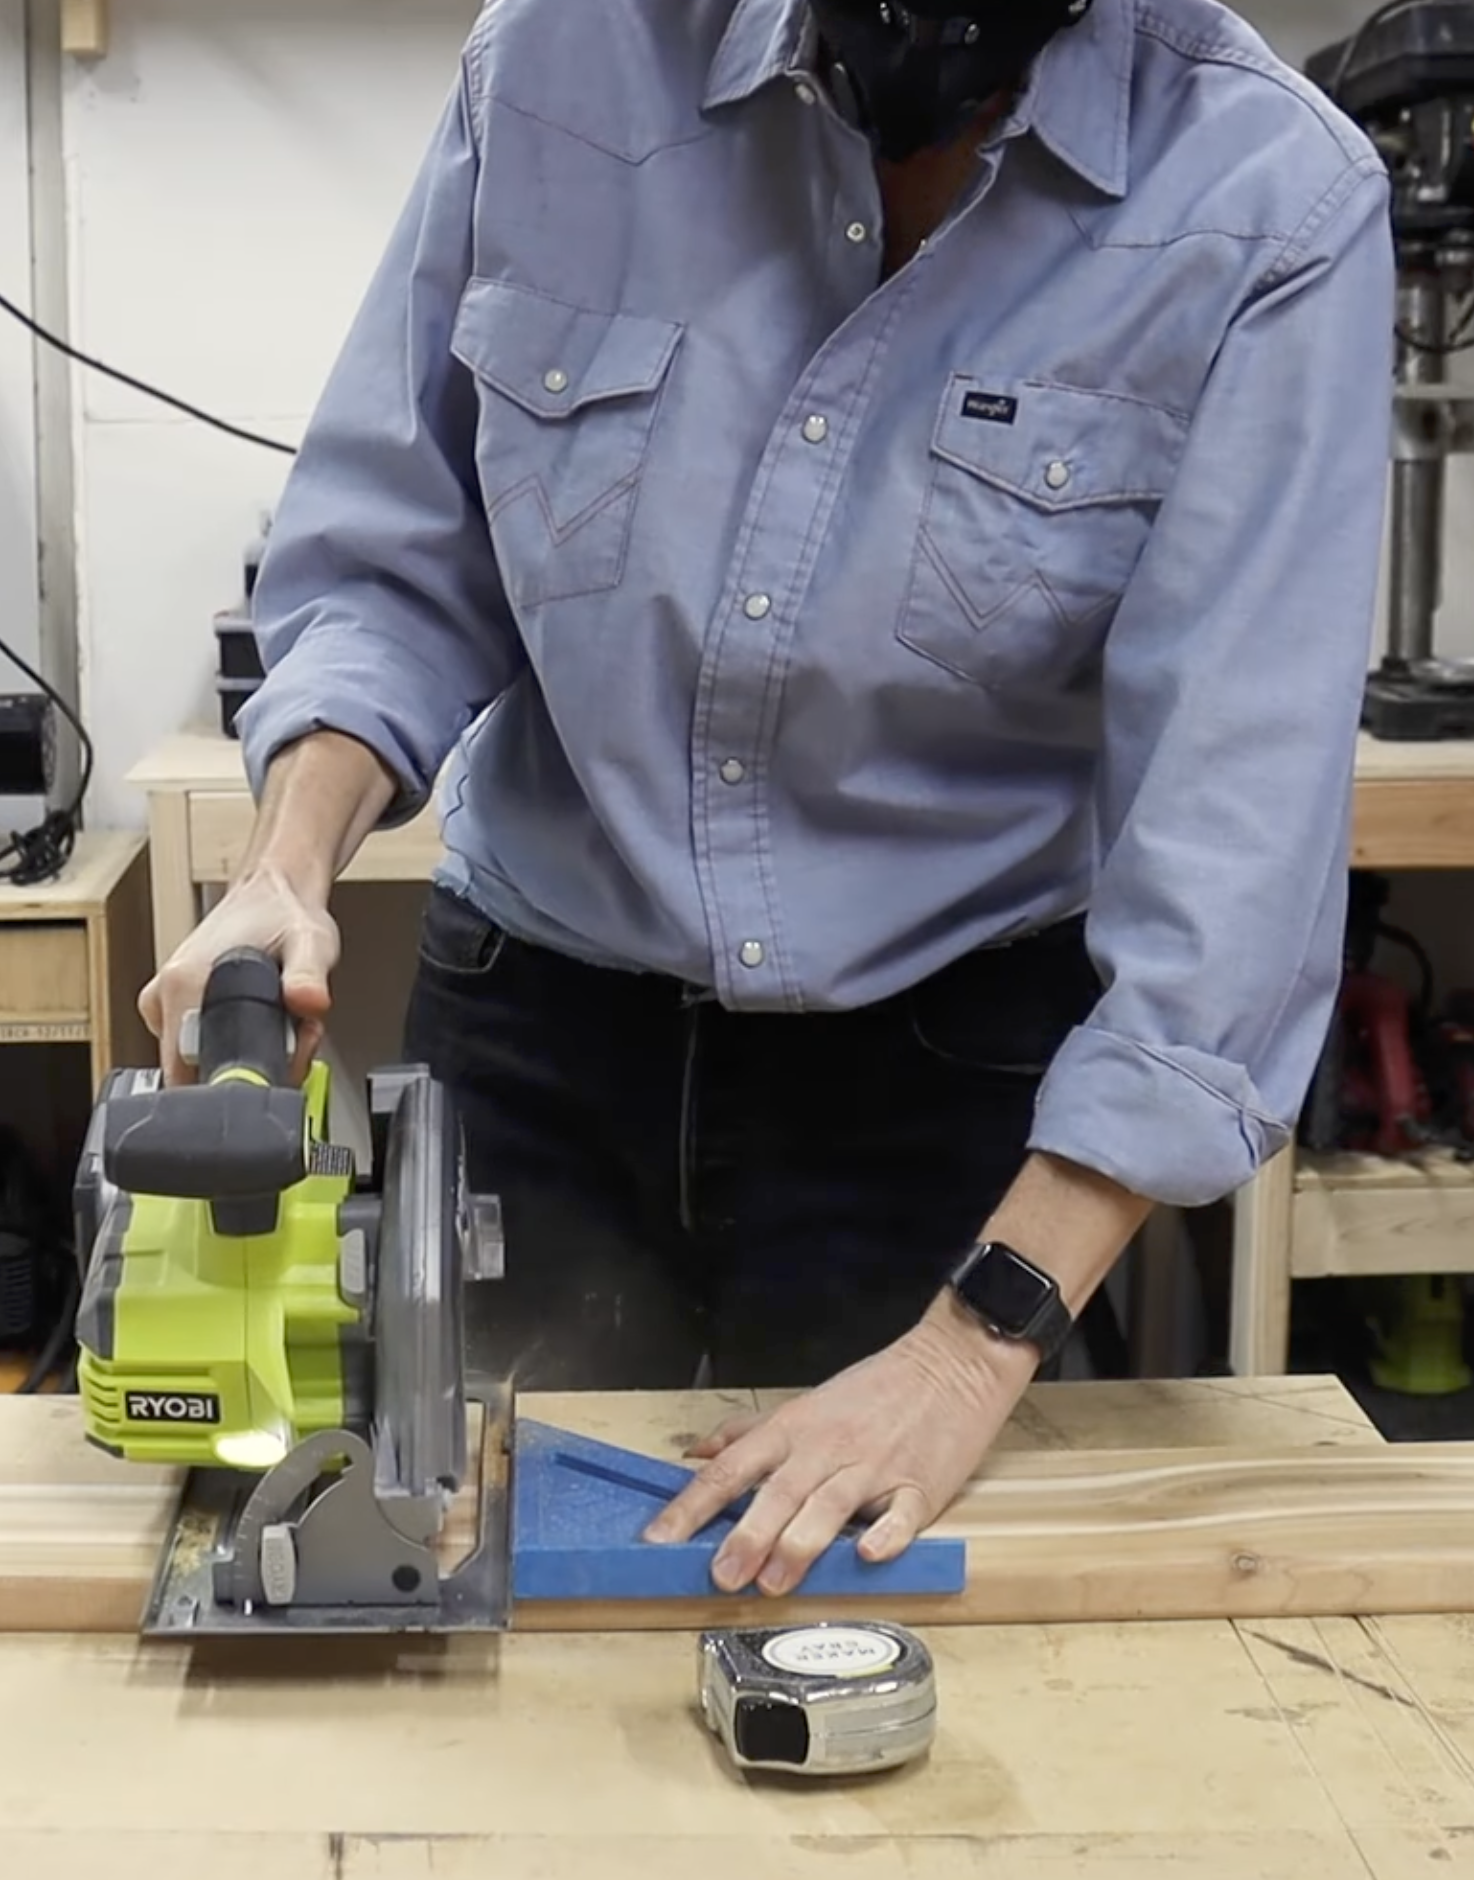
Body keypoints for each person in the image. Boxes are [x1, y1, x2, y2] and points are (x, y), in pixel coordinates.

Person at [139, 0, 1394, 1598]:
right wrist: (285, 865)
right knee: (450, 1604)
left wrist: (969, 1348)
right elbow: (404, 554)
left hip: (943, 1103)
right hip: (541, 1045)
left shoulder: (1269, 203)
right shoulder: (557, 68)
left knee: (885, 1659)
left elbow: (1233, 857)